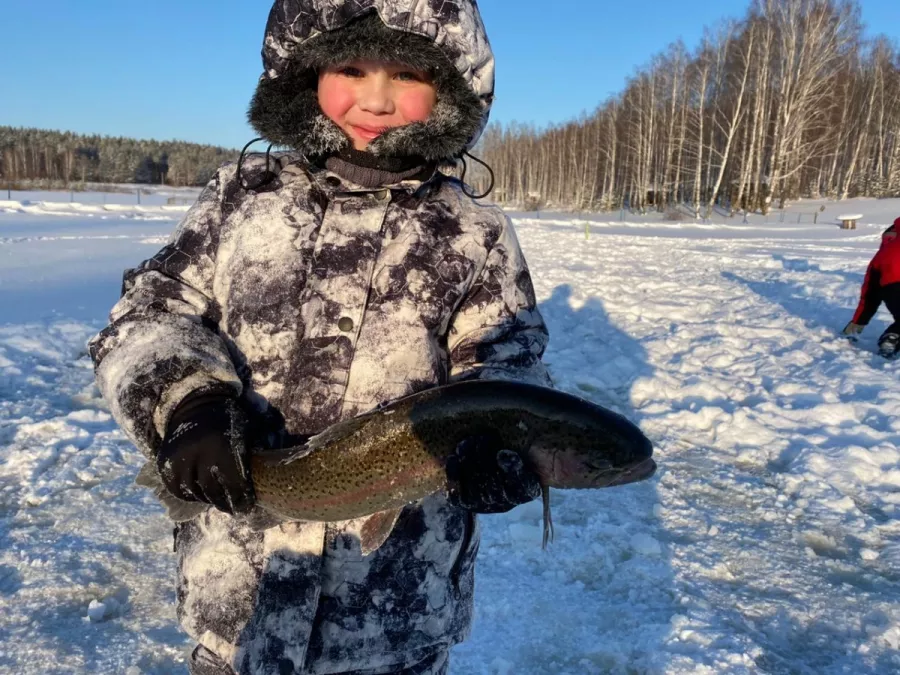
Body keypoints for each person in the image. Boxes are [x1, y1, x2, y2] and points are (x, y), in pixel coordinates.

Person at [89, 2, 551, 674]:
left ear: (454, 85)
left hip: (395, 611)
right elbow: (148, 315)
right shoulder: (238, 201)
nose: (377, 98)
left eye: (409, 73)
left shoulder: (473, 234)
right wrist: (186, 403)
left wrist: (504, 436)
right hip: (238, 599)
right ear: (303, 69)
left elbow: (509, 358)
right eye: (351, 66)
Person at [843, 217, 900, 358]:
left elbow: (870, 294)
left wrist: (857, 323)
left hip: (888, 282)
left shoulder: (884, 251)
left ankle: (891, 338)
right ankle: (891, 339)